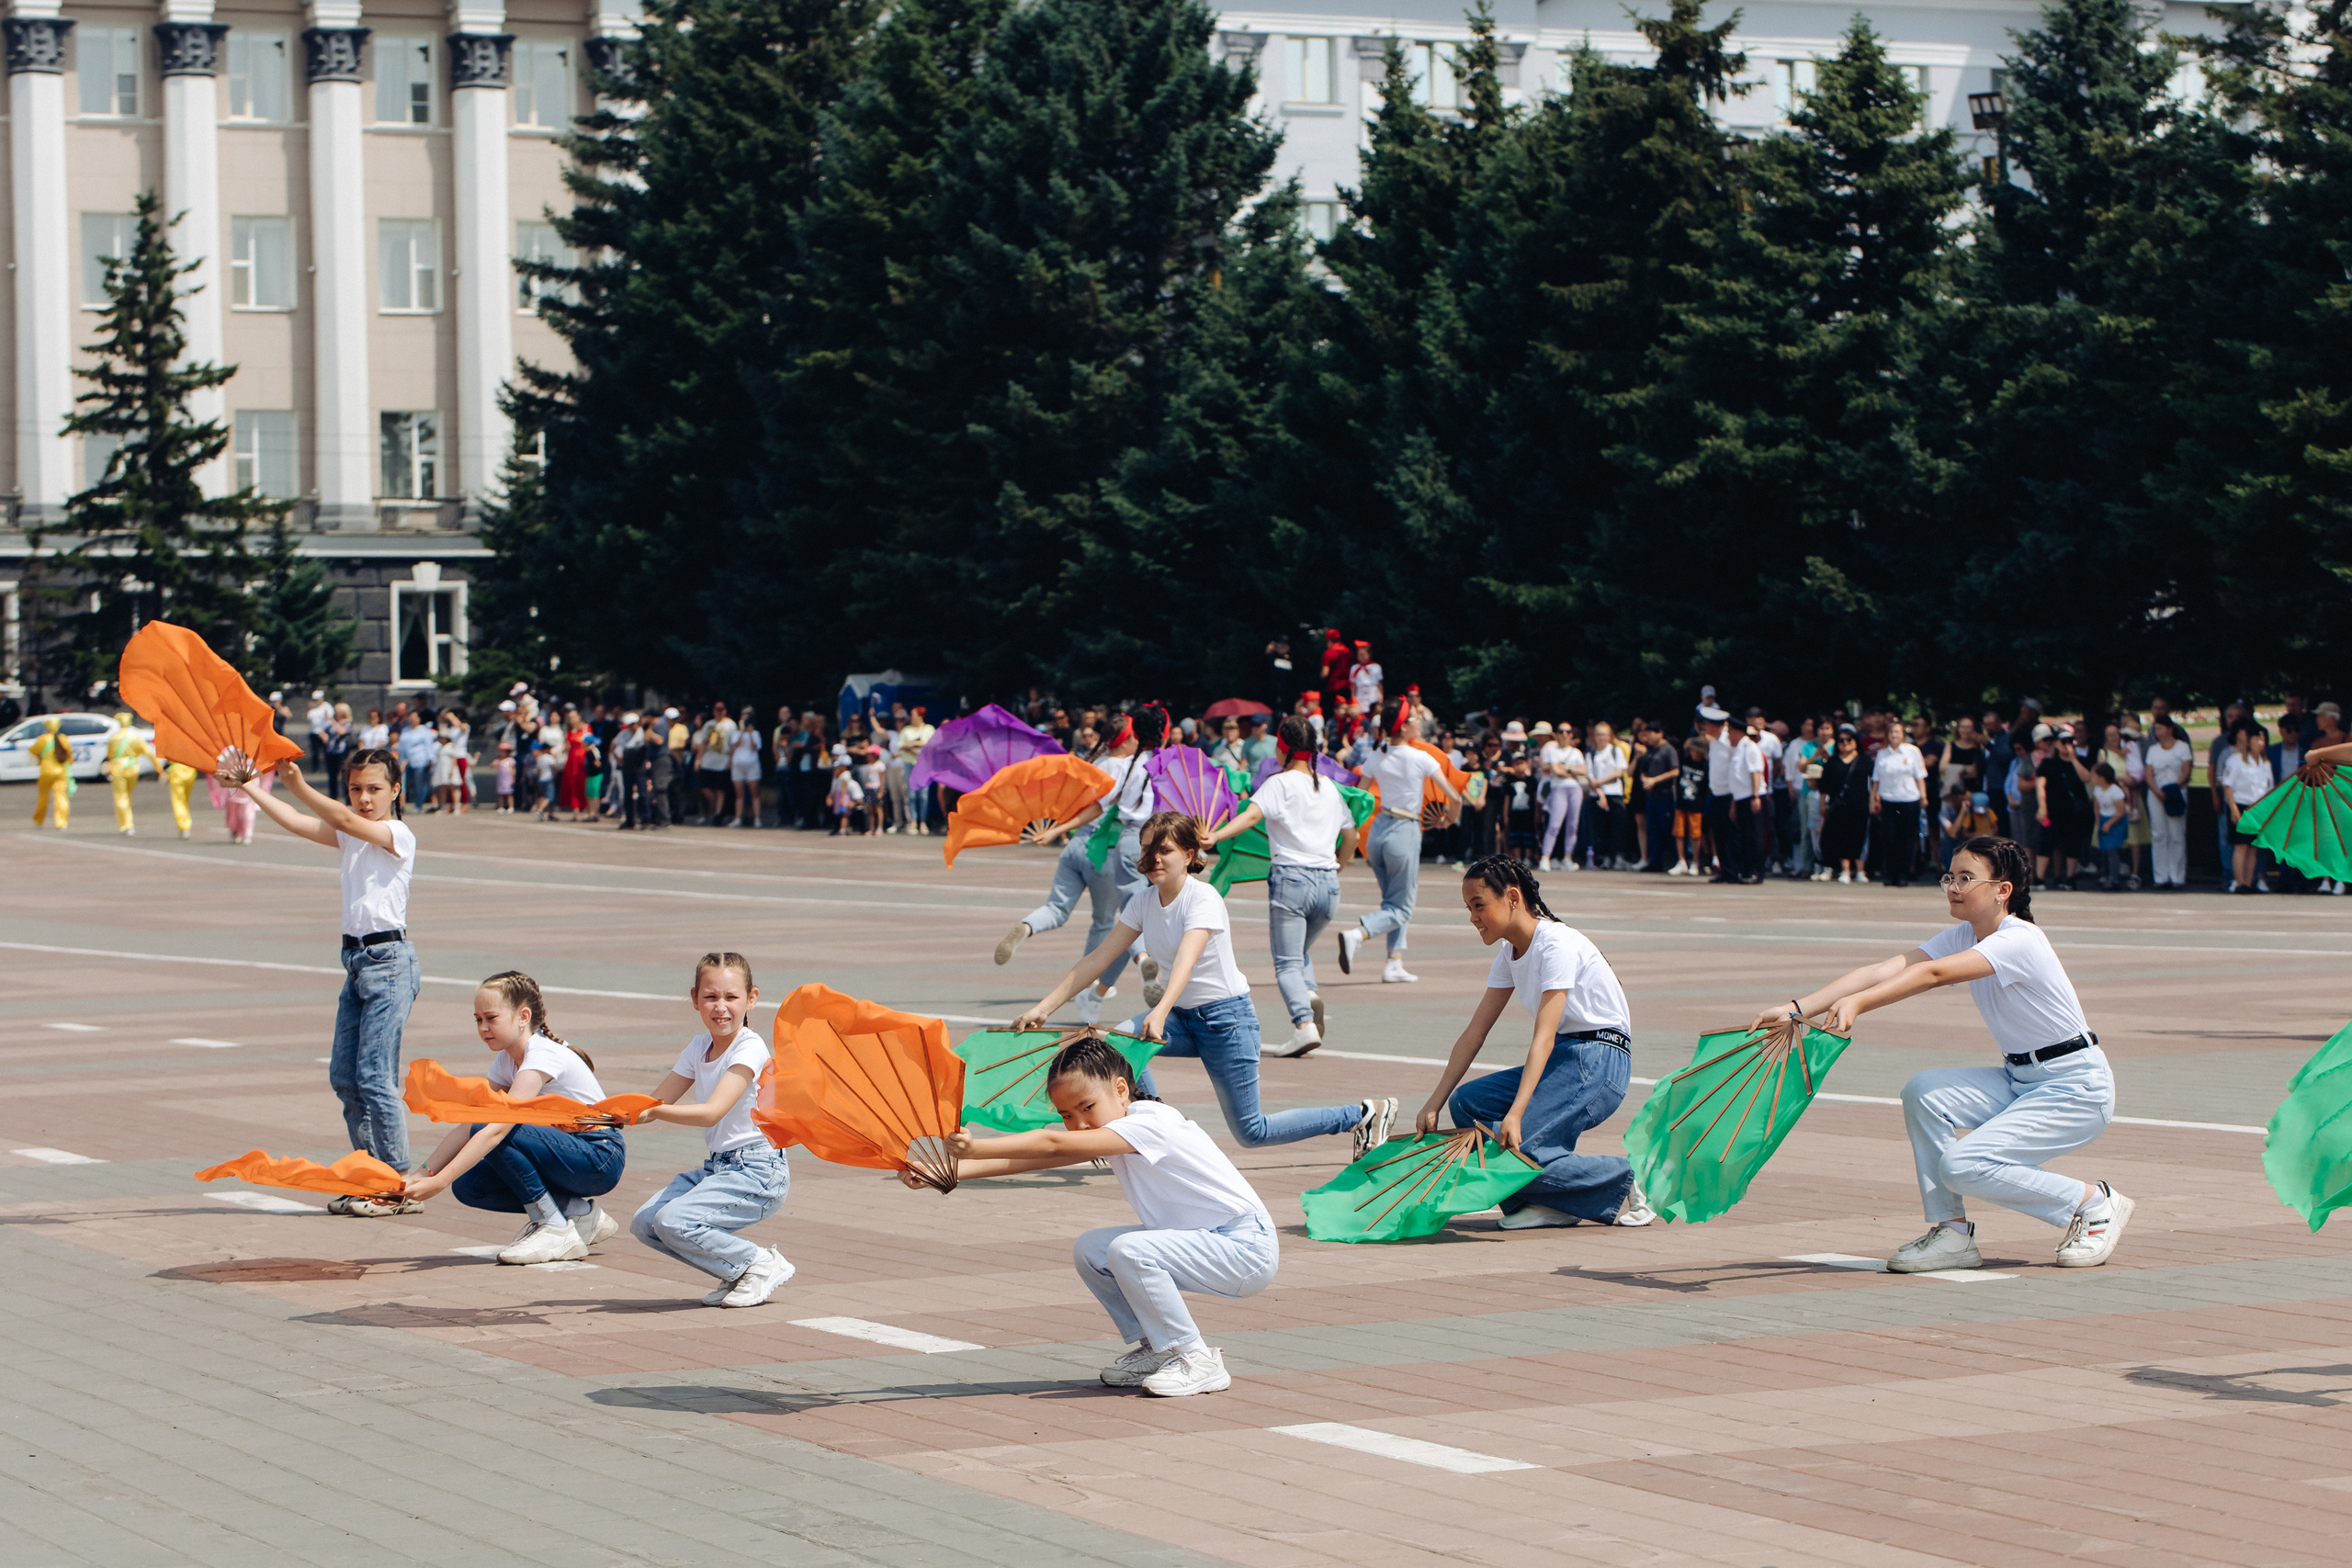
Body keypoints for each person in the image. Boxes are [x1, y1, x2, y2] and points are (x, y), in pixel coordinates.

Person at [1761, 836, 2130, 1272]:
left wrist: (1860, 1004)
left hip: (2075, 1087)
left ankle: (2093, 1204)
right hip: (2021, 1080)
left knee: (1964, 1164)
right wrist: (1797, 1009)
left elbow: (1932, 974)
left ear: (2002, 890)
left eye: (1967, 878)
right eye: (1950, 877)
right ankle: (1952, 1234)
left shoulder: (2020, 939)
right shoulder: (1965, 934)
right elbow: (1886, 969)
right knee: (1925, 1092)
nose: (1954, 886)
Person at [1014, 811, 1395, 1155]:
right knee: (1122, 1043)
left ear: (1190, 853)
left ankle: (1360, 1114)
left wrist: (1160, 1010)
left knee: (1251, 1131)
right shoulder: (1143, 902)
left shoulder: (1204, 898)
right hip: (1183, 1017)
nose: (1154, 859)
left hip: (1226, 1022)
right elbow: (1097, 959)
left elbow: (1186, 959)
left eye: (1164, 850)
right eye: (1147, 850)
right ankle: (1158, 1129)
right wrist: (1043, 1008)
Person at [929, 1035, 1276, 1398]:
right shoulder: (1119, 1129)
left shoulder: (1152, 1124)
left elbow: (1052, 1144)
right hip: (1212, 1243)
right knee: (1093, 1249)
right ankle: (1158, 1350)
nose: (1078, 1124)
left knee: (1130, 1250)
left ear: (1121, 1089)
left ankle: (1198, 1360)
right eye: (1066, 1115)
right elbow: (1038, 1158)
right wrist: (945, 1171)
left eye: (1086, 1107)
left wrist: (977, 1146)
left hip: (1245, 1248)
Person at [217, 743, 423, 1204]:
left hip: (389, 963)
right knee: (345, 1078)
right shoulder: (352, 834)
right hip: (356, 964)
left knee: (374, 1076)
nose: (364, 798)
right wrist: (251, 786)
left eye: (374, 789)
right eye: (355, 789)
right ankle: (369, 1175)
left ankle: (397, 1183)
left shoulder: (395, 833)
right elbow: (299, 823)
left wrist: (297, 783)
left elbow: (348, 821)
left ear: (395, 790)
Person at [1412, 856, 1655, 1229]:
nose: (1473, 917)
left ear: (1512, 897)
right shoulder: (1509, 953)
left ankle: (1629, 1176)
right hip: (1567, 1057)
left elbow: (1543, 1036)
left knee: (1517, 1147)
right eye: (1469, 908)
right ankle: (1547, 1204)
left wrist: (1516, 1112)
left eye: (1479, 906)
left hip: (1599, 1061)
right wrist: (1436, 1101)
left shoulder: (1555, 943)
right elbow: (1475, 1032)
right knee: (1468, 1104)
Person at [401, 971, 626, 1265]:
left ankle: (553, 1227)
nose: (483, 1027)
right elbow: (470, 1122)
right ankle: (581, 1214)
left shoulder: (542, 1055)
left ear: (523, 1016)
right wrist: (419, 1177)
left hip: (599, 1156)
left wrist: (439, 1182)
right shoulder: (506, 1059)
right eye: (478, 1019)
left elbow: (494, 1128)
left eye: (491, 1018)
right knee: (470, 1186)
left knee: (493, 1127)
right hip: (571, 1155)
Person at [629, 953, 793, 1307]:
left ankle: (759, 1264)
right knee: (646, 1223)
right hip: (721, 1167)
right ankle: (737, 1272)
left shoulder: (750, 1047)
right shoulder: (697, 1047)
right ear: (694, 999)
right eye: (711, 997)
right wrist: (601, 1117)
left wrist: (653, 1111)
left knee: (673, 1220)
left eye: (731, 997)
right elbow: (651, 1103)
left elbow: (711, 1113)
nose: (721, 1007)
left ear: (752, 999)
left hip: (759, 1172)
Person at [1204, 716, 1354, 1056]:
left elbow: (1251, 816)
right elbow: (1351, 833)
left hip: (1291, 880)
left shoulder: (1279, 783)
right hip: (1328, 884)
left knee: (1286, 962)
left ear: (1281, 747)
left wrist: (1216, 835)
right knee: (1300, 951)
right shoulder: (1329, 787)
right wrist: (1339, 865)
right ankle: (1310, 993)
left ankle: (1303, 1024)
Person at [1338, 698, 1465, 984]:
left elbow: (1359, 798)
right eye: (1415, 718)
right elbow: (1455, 797)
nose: (1419, 722)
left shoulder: (1375, 756)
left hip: (1378, 832)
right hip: (1404, 831)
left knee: (1392, 901)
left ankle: (1394, 962)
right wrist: (1448, 819)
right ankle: (1357, 934)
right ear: (1405, 726)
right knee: (1402, 907)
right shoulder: (1421, 758)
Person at [1869, 720, 1928, 888]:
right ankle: (1889, 873)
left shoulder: (1912, 752)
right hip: (1888, 799)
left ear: (1902, 734)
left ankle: (1903, 873)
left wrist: (1923, 797)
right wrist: (1874, 798)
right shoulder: (1882, 754)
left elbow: (1919, 776)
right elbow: (1876, 779)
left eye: (1897, 732)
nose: (1894, 735)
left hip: (1909, 799)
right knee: (1889, 838)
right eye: (1891, 732)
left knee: (1907, 838)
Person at [2220, 723, 2277, 894]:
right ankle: (2239, 882)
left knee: (2253, 847)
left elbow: (2269, 788)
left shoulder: (2265, 763)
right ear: (2249, 740)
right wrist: (2234, 809)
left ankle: (2248, 881)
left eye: (2263, 739)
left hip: (2258, 808)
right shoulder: (2236, 760)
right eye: (2257, 739)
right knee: (2241, 846)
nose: (2261, 742)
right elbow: (2228, 786)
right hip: (2241, 805)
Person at [2142, 716, 2194, 889]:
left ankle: (2177, 876)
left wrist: (2173, 788)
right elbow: (2148, 773)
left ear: (2170, 728)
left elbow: (2186, 771)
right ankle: (2161, 876)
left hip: (2176, 793)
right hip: (2156, 794)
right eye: (2156, 729)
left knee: (2176, 834)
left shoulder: (2182, 747)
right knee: (2159, 834)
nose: (2157, 732)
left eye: (2160, 728)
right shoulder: (2153, 750)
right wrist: (2157, 790)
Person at [1817, 724, 1870, 882]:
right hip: (1839, 806)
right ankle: (1845, 870)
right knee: (1841, 837)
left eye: (1849, 739)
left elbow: (1874, 782)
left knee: (1860, 837)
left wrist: (1875, 799)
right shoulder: (1832, 762)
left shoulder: (1865, 760)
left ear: (1855, 741)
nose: (1845, 743)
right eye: (1841, 740)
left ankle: (1860, 871)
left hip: (1861, 805)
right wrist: (1822, 804)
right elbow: (1823, 787)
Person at [1534, 721, 1583, 873]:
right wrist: (1571, 770)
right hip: (1558, 788)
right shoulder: (1552, 751)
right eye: (1561, 731)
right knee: (1554, 824)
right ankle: (1546, 857)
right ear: (1556, 734)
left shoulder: (1576, 752)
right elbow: (1556, 771)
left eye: (1568, 732)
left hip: (1574, 788)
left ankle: (1567, 857)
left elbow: (1584, 770)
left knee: (1572, 825)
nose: (1564, 734)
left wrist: (1566, 768)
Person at [101, 712, 154, 836]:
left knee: (121, 797)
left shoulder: (114, 738)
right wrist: (158, 768)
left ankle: (126, 825)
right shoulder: (135, 737)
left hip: (118, 768)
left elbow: (109, 755)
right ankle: (128, 821)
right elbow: (148, 752)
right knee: (128, 796)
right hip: (132, 768)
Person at [892, 705, 935, 835]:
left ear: (920, 716)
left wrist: (911, 744)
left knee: (923, 795)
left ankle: (923, 822)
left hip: (924, 765)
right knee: (911, 794)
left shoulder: (929, 729)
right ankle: (913, 822)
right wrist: (916, 744)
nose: (910, 718)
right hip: (909, 764)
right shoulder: (906, 730)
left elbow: (930, 743)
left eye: (912, 715)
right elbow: (900, 745)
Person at [2090, 763, 2131, 890]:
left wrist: (2109, 823)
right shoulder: (2097, 789)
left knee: (2112, 851)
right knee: (2104, 850)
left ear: (2102, 778)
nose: (2092, 778)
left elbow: (2121, 811)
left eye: (2094, 775)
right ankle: (2106, 875)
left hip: (2114, 822)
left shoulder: (2115, 791)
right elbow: (2097, 806)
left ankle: (2115, 880)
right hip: (2104, 820)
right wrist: (2099, 820)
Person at [29, 716, 74, 829]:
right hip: (60, 771)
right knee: (61, 796)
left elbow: (32, 750)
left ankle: (39, 820)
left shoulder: (42, 739)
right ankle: (61, 822)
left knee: (43, 797)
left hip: (46, 770)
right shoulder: (63, 739)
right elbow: (69, 756)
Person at [728, 707, 763, 829]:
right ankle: (738, 818)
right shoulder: (736, 733)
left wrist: (750, 733)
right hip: (738, 764)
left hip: (752, 764)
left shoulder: (756, 733)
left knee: (754, 793)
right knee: (739, 794)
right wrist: (742, 731)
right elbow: (735, 746)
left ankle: (757, 818)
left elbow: (755, 747)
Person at [164, 759, 199, 840]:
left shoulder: (171, 745)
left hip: (177, 772)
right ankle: (184, 824)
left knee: (178, 801)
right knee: (185, 800)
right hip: (190, 770)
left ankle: (184, 827)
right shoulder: (190, 745)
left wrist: (162, 769)